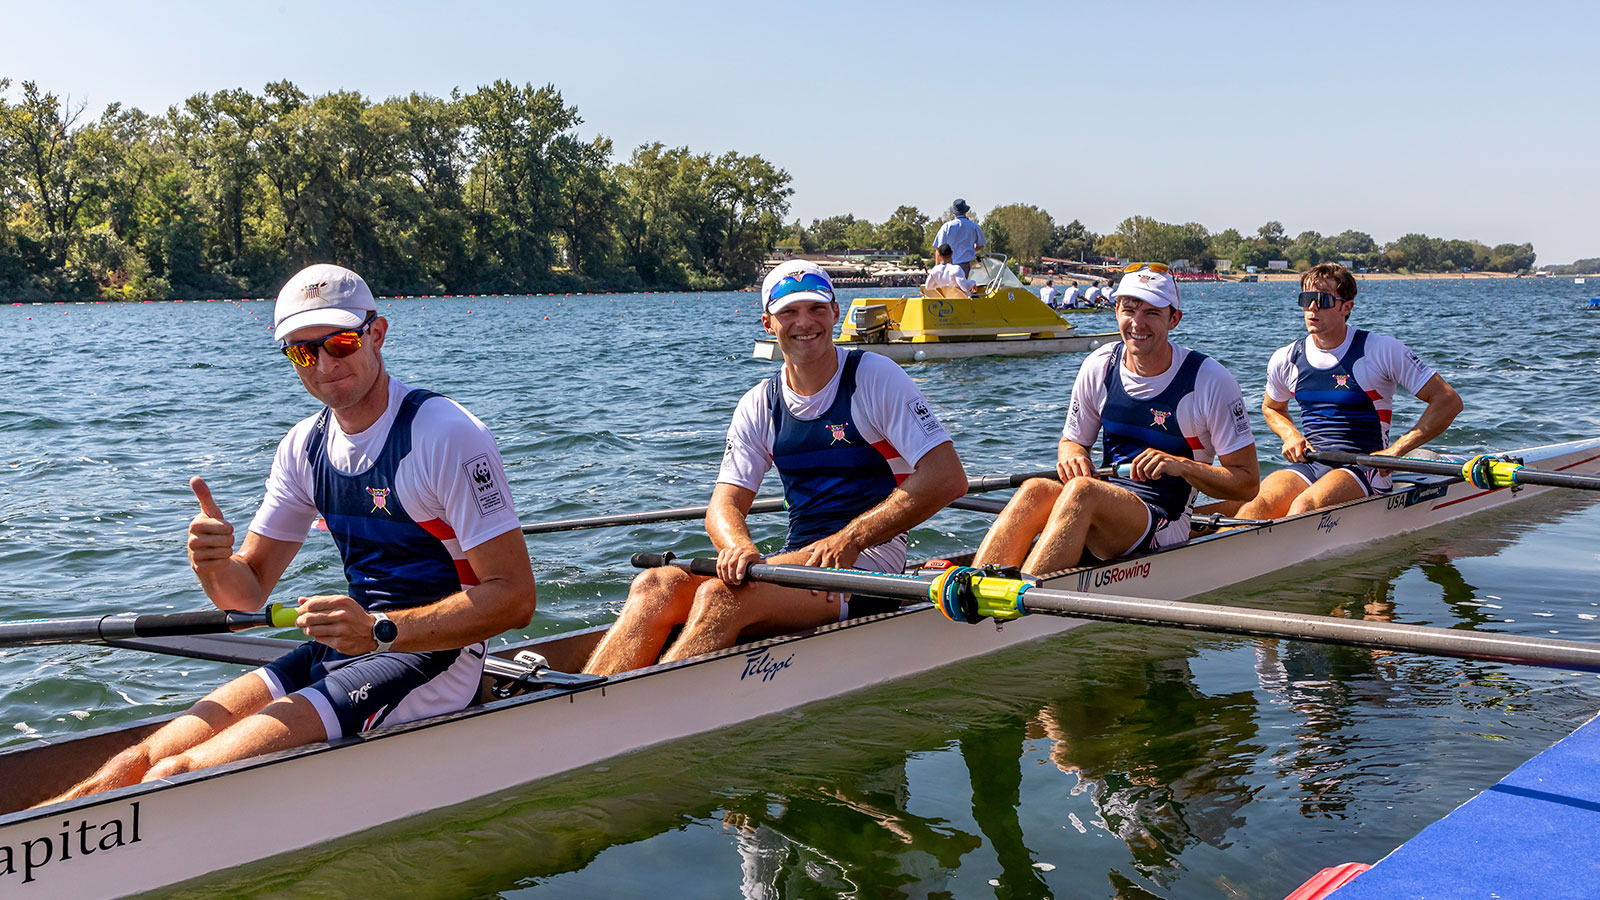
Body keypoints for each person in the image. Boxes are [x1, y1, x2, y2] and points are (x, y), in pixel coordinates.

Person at [44, 264, 538, 803]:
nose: (324, 365)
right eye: (303, 352)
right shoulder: (303, 447)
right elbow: (246, 594)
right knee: (133, 764)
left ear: (377, 333)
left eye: (340, 343)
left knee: (175, 774)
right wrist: (213, 564)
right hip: (346, 644)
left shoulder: (447, 435)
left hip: (435, 657)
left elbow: (514, 600)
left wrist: (380, 630)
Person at [584, 260, 968, 675]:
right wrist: (738, 547)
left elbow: (947, 477)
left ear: (835, 314)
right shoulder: (760, 403)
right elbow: (723, 505)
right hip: (797, 558)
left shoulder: (874, 377)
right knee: (654, 585)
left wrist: (852, 537)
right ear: (769, 323)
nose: (805, 322)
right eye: (789, 312)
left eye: (816, 309)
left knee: (719, 596)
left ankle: (637, 708)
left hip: (864, 567)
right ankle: (584, 703)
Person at [971, 264, 1259, 576]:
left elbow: (1246, 484)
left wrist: (1181, 466)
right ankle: (977, 586)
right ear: (1116, 310)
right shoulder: (1099, 366)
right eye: (1129, 309)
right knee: (1035, 490)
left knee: (1082, 492)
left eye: (1151, 312)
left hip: (1163, 520)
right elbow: (1071, 442)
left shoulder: (1209, 380)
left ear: (1174, 319)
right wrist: (1073, 456)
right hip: (1104, 508)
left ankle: (1020, 603)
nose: (1137, 323)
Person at [1230, 262, 1463, 519]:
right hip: (1312, 462)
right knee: (1254, 507)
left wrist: (1396, 451)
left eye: (1323, 300)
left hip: (1366, 466)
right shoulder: (1286, 358)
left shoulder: (1381, 351)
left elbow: (1448, 401)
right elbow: (1272, 407)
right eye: (1307, 299)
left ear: (1346, 307)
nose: (1312, 307)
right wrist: (1289, 435)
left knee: (1303, 508)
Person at [932, 199, 987, 275]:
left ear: (954, 212)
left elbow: (939, 248)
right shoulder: (974, 227)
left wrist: (937, 268)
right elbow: (981, 245)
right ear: (965, 211)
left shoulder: (946, 227)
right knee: (966, 285)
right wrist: (971, 249)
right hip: (968, 266)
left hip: (949, 266)